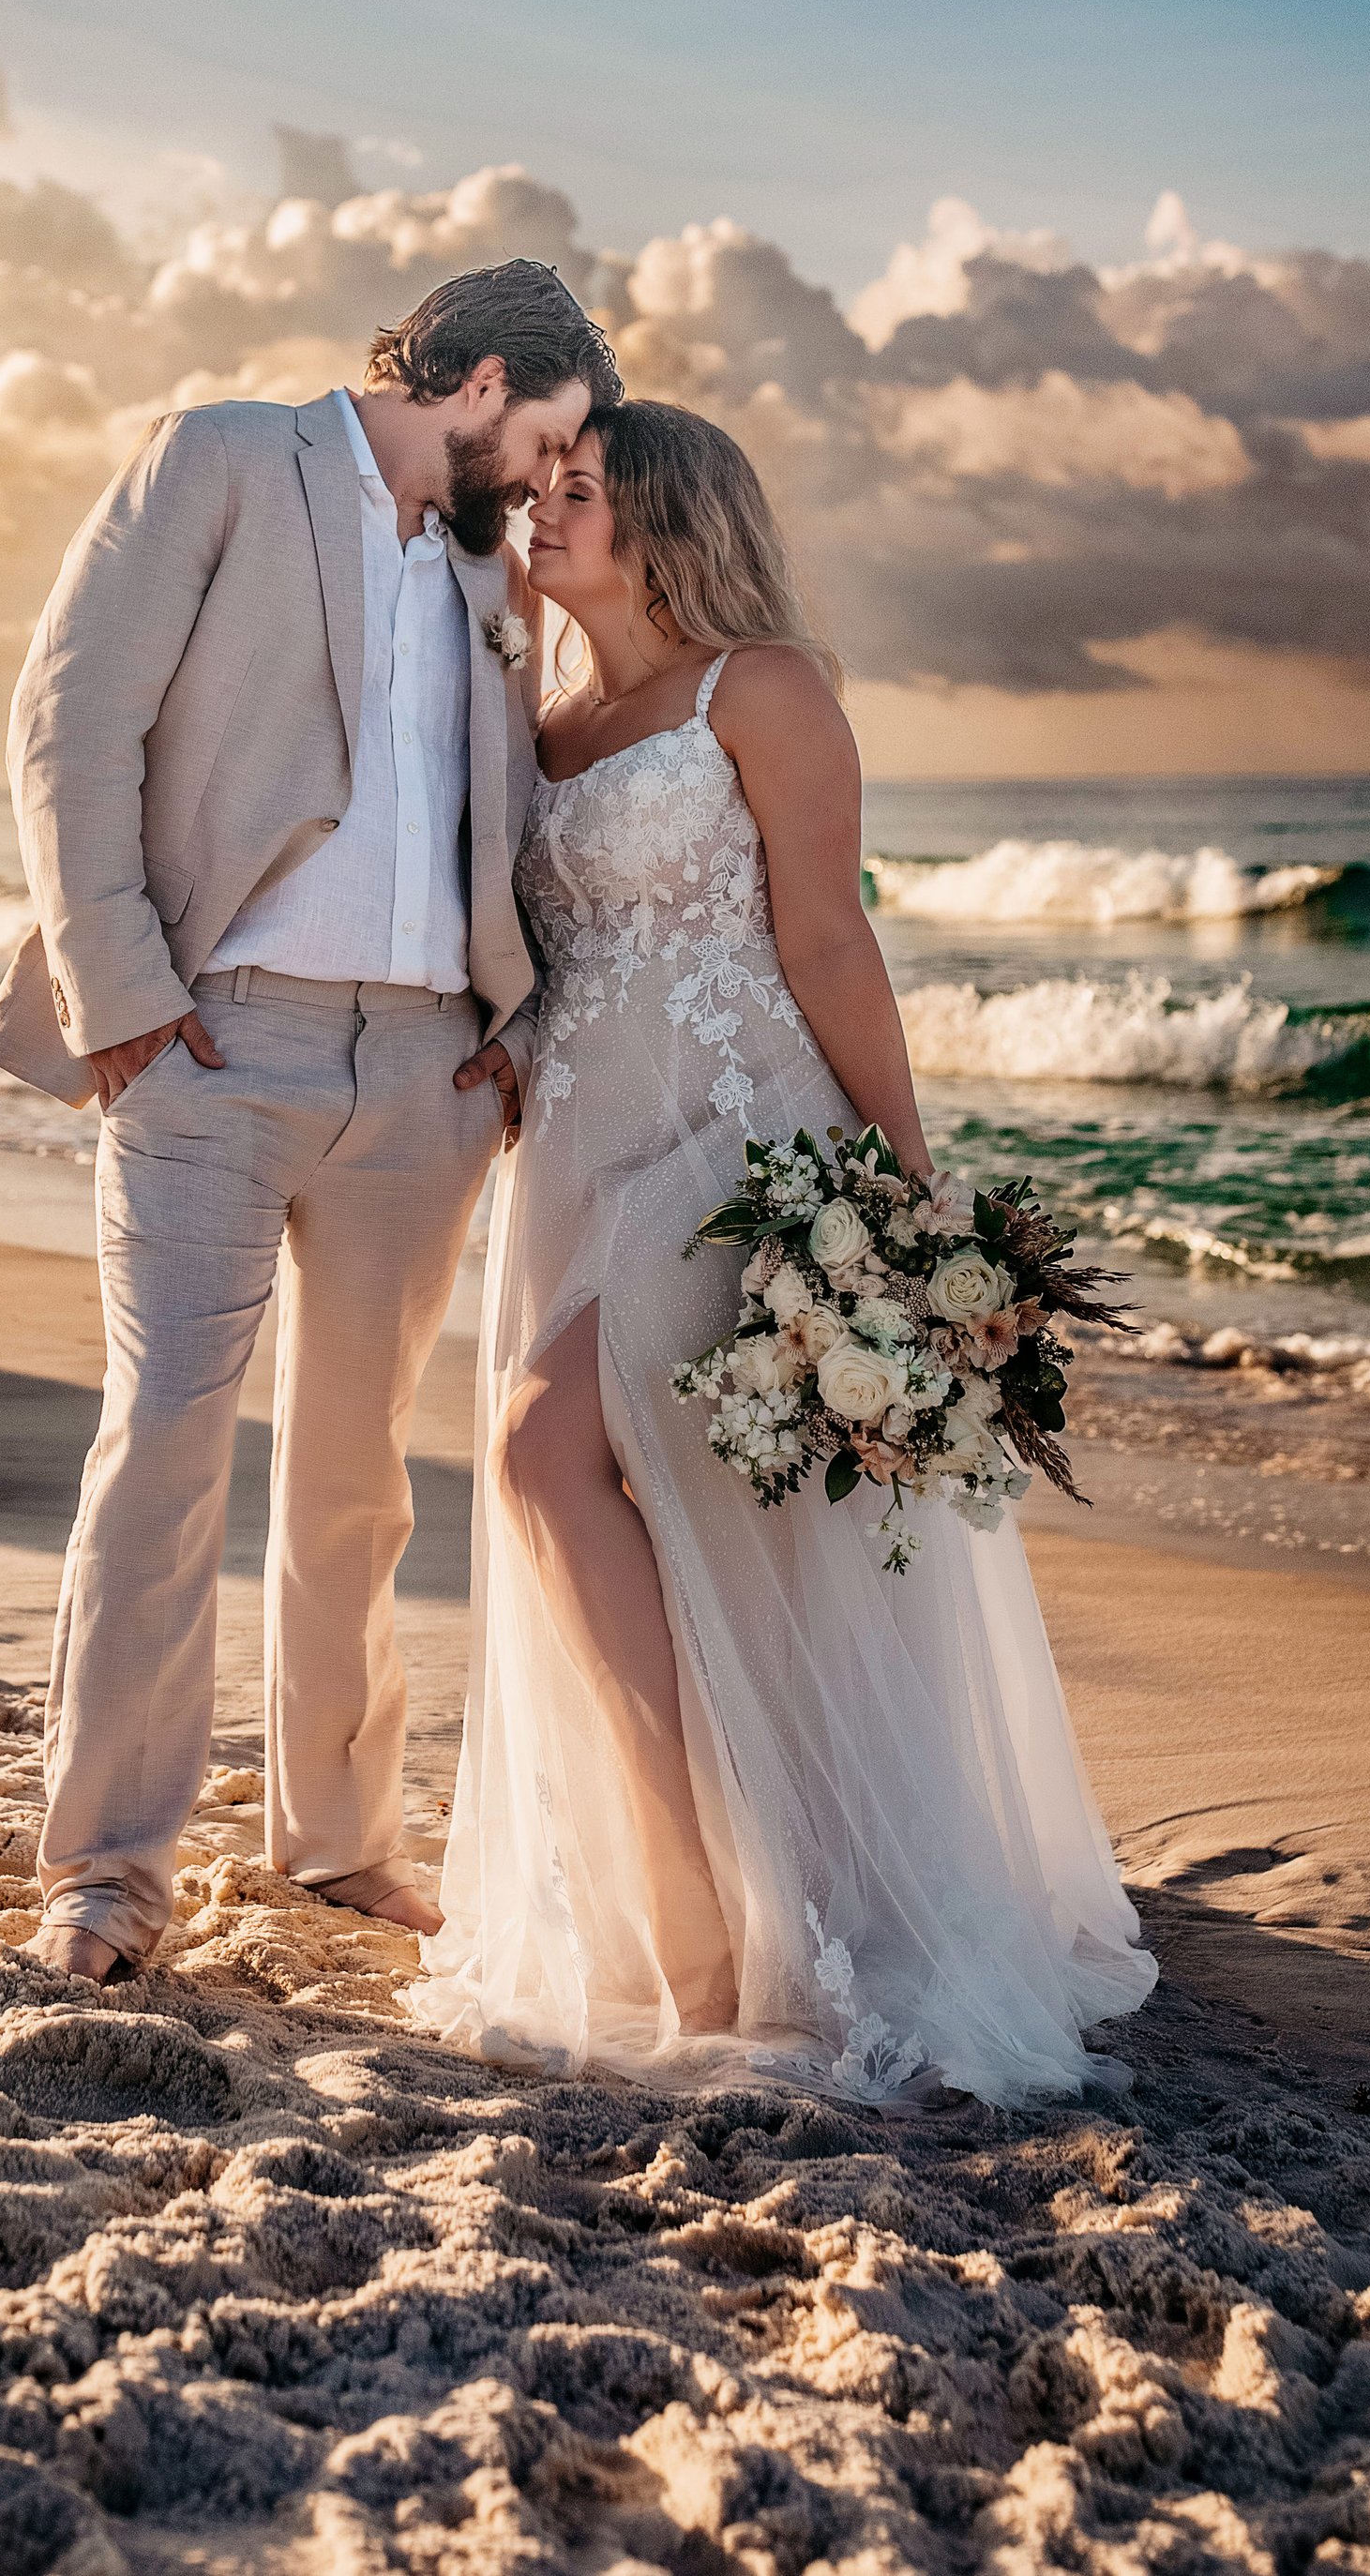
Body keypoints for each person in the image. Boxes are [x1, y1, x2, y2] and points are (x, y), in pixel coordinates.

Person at [409, 399, 1155, 2100]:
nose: (546, 514)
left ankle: (711, 1903)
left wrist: (903, 1188)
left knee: (544, 1449)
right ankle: (735, 1875)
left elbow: (829, 932)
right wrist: (500, 1051)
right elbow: (536, 946)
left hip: (747, 1155)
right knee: (659, 1516)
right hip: (584, 1159)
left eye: (580, 492)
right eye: (545, 490)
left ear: (669, 519)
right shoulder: (537, 715)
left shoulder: (766, 689)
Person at [0, 259, 622, 1980]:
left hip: (424, 1077)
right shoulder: (221, 461)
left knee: (358, 1478)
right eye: (549, 442)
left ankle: (336, 1841)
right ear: (482, 382)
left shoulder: (497, 576)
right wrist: (118, 997)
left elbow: (510, 811)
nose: (552, 486)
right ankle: (107, 1867)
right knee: (166, 1447)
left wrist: (512, 1018)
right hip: (208, 1042)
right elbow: (69, 717)